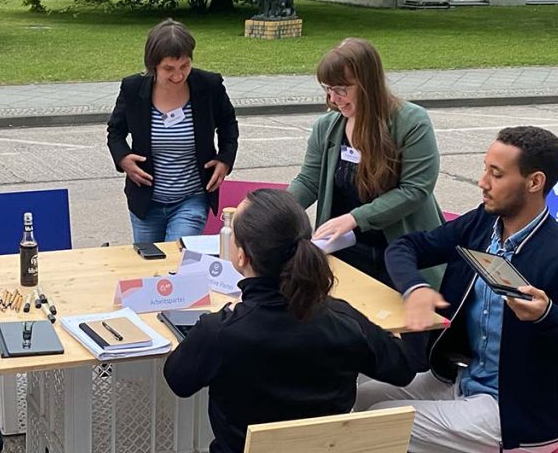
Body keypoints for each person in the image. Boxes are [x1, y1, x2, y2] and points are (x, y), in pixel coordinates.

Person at [355, 126, 558, 452]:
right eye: (484, 169)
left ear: (534, 182)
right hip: (462, 378)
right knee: (362, 395)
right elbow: (406, 247)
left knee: (380, 420)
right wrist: (416, 287)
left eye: (496, 174)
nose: (482, 182)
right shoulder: (482, 224)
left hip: (522, 413)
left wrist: (548, 316)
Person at [163, 189, 416, 453]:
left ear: (241, 256)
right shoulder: (343, 320)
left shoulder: (220, 332)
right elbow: (401, 369)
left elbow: (177, 380)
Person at [288, 37, 444, 286]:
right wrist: (274, 209)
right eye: (328, 89)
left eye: (342, 89)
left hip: (399, 253)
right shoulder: (326, 127)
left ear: (367, 83)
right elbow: (308, 180)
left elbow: (415, 189)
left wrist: (355, 218)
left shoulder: (412, 122)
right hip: (344, 251)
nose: (333, 98)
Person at [107, 18, 239, 243]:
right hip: (146, 202)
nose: (178, 75)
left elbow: (228, 124)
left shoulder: (209, 86)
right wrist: (123, 159)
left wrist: (225, 159)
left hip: (192, 198)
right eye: (168, 68)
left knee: (177, 261)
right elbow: (115, 132)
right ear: (153, 65)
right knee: (150, 266)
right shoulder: (133, 89)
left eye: (184, 66)